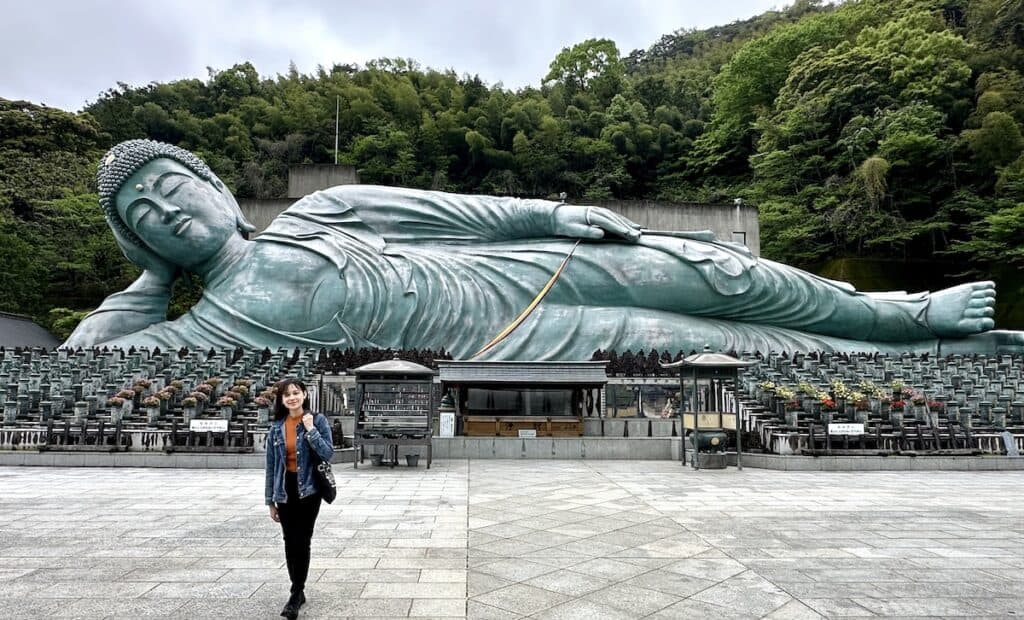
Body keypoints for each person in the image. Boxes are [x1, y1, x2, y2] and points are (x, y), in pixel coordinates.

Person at [63, 139, 1024, 358]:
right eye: (142, 214)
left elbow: (462, 214)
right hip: (512, 342)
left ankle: (898, 313)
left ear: (219, 187)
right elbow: (84, 364)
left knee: (714, 270)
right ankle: (935, 351)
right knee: (699, 343)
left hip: (516, 268)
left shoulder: (331, 209)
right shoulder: (214, 323)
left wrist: (553, 216)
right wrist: (152, 280)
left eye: (169, 186)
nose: (164, 210)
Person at [264, 378, 333, 620]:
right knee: (289, 541)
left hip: (309, 490)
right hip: (285, 490)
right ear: (282, 400)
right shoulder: (276, 428)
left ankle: (296, 592)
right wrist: (270, 501)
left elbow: (328, 453)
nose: (292, 397)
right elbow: (271, 466)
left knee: (302, 540)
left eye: (296, 392)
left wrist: (311, 429)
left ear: (304, 394)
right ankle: (297, 588)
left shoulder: (318, 420)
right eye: (287, 395)